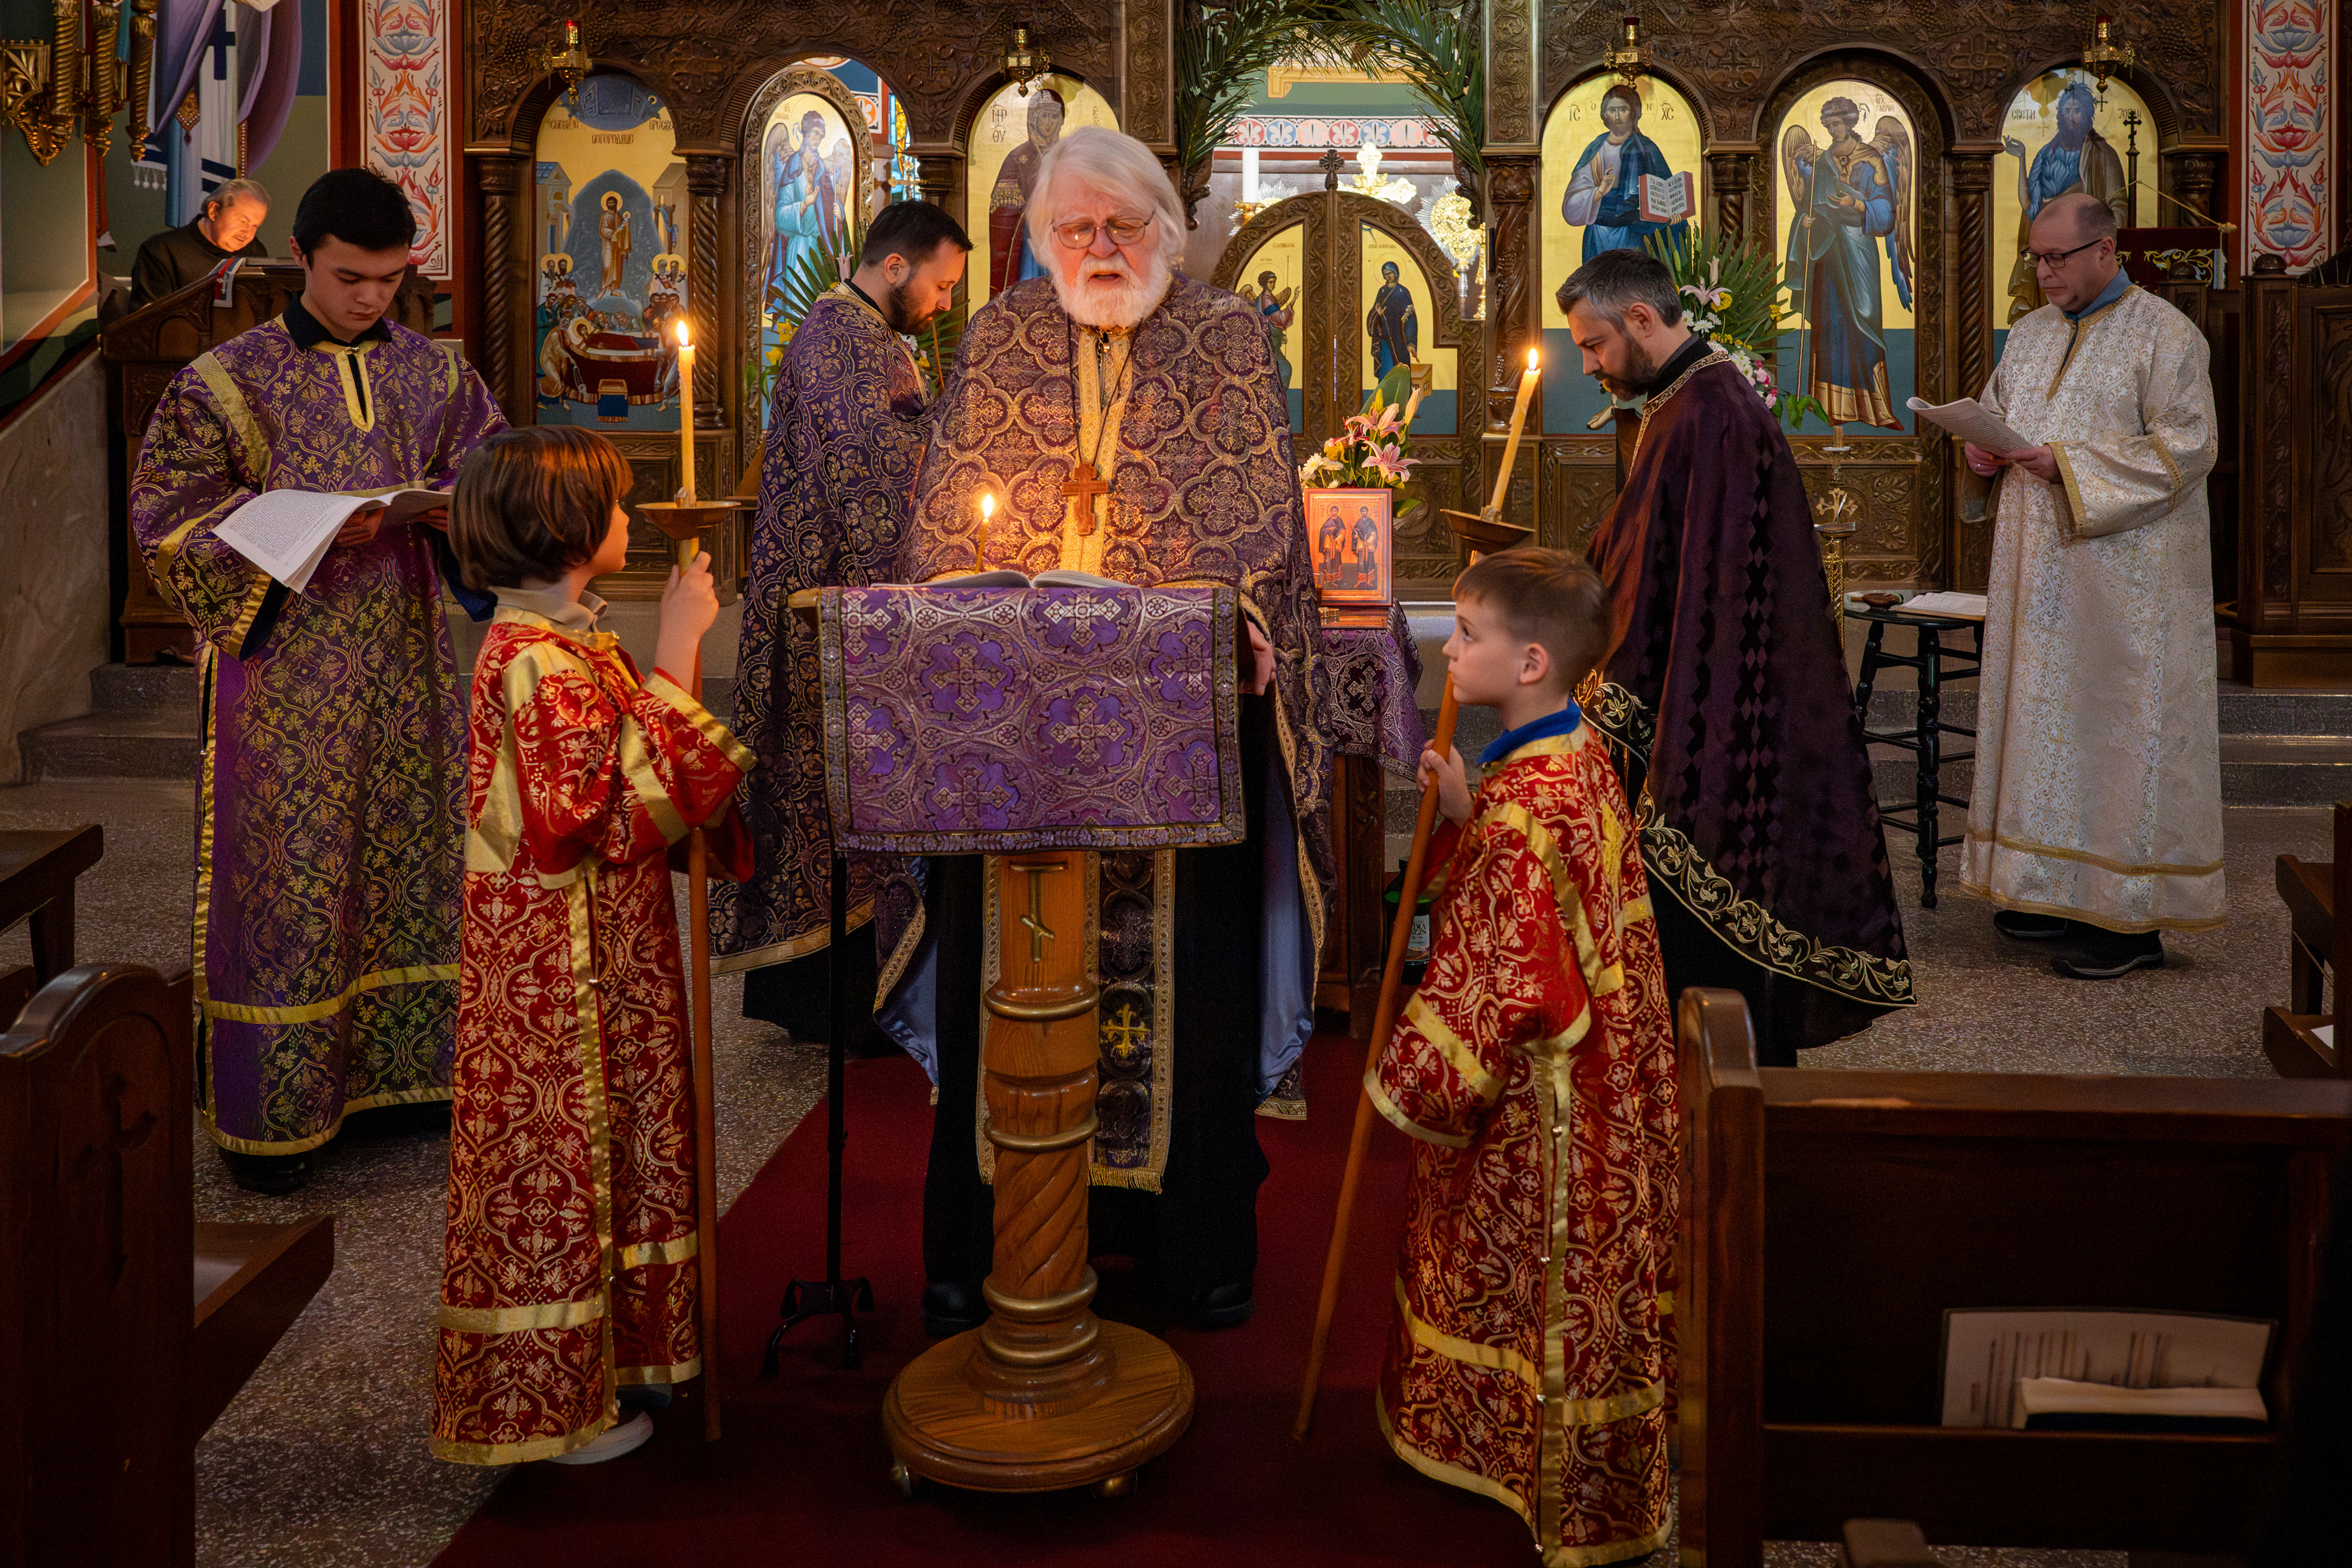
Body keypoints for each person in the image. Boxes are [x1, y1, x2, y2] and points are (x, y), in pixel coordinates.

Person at [895, 125, 1331, 1332]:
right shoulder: (999, 336)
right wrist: (965, 609)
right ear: (1040, 239)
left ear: (1165, 229)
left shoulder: (1230, 336)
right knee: (1009, 973)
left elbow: (1257, 515)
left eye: (1121, 226)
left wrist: (1229, 614)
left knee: (1187, 982)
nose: (1098, 248)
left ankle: (1191, 1245)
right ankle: (980, 1235)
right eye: (1074, 228)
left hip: (1179, 726)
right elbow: (945, 512)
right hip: (1015, 731)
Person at [130, 168, 506, 1192]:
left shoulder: (436, 375)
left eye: (390, 280)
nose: (372, 299)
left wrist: (448, 505)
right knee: (291, 882)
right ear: (301, 258)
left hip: (406, 668)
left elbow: (495, 473)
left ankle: (408, 1084)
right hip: (283, 680)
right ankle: (283, 1111)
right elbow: (166, 518)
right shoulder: (222, 380)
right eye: (350, 278)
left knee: (409, 863)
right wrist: (312, 520)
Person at [431, 425, 753, 1467]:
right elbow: (605, 813)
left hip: (598, 948)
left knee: (616, 1133)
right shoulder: (536, 660)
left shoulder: (567, 642)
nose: (628, 521)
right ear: (570, 531)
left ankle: (616, 1358)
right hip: (556, 970)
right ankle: (555, 1407)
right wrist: (679, 650)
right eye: (615, 508)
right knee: (563, 1155)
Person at [1375, 547, 1675, 1567]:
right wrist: (1467, 810)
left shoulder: (1522, 809)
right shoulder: (1573, 757)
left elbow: (1495, 986)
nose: (1448, 651)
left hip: (1539, 1118)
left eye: (1467, 636)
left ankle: (1533, 1466)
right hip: (1604, 1080)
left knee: (1509, 1275)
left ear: (1533, 660)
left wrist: (1408, 1081)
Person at [1561, 247, 1912, 1063]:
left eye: (1595, 345)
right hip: (1703, 696)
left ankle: (1711, 1110)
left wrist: (1606, 686)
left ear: (1642, 320)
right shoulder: (1687, 399)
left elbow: (1691, 591)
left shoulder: (1709, 412)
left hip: (1713, 716)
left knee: (1696, 948)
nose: (1591, 365)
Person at [714, 201, 971, 1049]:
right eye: (938, 286)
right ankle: (838, 1001)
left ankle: (864, 991)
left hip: (851, 607)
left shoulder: (868, 336)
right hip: (832, 615)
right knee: (830, 802)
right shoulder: (839, 340)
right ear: (895, 267)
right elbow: (870, 483)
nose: (940, 306)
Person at [1960, 191, 2221, 978]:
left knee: (2116, 737)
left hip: (2128, 589)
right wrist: (1983, 447)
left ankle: (2128, 924)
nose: (2041, 273)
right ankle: (2041, 889)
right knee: (2044, 727)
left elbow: (2189, 447)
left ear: (2106, 250)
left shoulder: (2164, 335)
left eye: (2057, 258)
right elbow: (2004, 412)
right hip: (2035, 578)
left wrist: (2066, 465)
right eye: (2035, 258)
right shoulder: (2032, 334)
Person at [1782, 97, 1914, 428]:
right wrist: (1805, 224)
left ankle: (1876, 409)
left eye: (1837, 123)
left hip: (1858, 254)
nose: (1832, 129)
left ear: (1851, 122)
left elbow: (1886, 215)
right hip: (1826, 254)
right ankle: (1828, 404)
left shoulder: (1872, 160)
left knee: (1863, 325)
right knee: (1828, 327)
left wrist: (1856, 204)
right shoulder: (1823, 162)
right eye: (1827, 124)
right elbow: (1807, 208)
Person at [2005, 79, 2128, 321]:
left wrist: (2094, 228)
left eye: (2077, 110)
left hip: (2083, 245)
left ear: (2088, 115)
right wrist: (2021, 159)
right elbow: (2029, 206)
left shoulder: (2103, 154)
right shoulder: (2046, 154)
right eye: (2066, 110)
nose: (2070, 117)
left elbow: (2118, 205)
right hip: (2046, 240)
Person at [1560, 82, 1689, 261]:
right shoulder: (1596, 150)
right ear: (1604, 114)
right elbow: (1571, 204)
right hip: (1600, 232)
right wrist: (1598, 193)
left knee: (1632, 284)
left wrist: (1674, 215)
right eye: (1612, 110)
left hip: (1635, 234)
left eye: (1623, 109)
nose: (1617, 116)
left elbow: (1667, 193)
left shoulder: (1647, 148)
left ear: (1634, 113)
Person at [130, 178, 271, 306]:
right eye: (243, 221)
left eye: (255, 226)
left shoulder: (254, 253)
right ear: (214, 211)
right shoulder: (162, 251)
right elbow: (148, 322)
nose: (247, 233)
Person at [987, 87, 1066, 296]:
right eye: (1043, 117)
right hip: (1029, 247)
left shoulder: (1071, 156)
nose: (1048, 123)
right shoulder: (1018, 159)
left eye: (1053, 116)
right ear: (1032, 120)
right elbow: (1002, 214)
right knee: (1028, 292)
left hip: (1066, 240)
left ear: (1061, 121)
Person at [1367, 259, 1416, 379]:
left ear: (1396, 272)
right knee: (1386, 373)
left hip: (1399, 338)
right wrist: (1378, 314)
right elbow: (1374, 312)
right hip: (1384, 339)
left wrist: (1411, 342)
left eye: (1391, 273)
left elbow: (1410, 318)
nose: (1389, 276)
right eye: (1386, 274)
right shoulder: (1382, 291)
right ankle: (1383, 397)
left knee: (1400, 370)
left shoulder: (1403, 292)